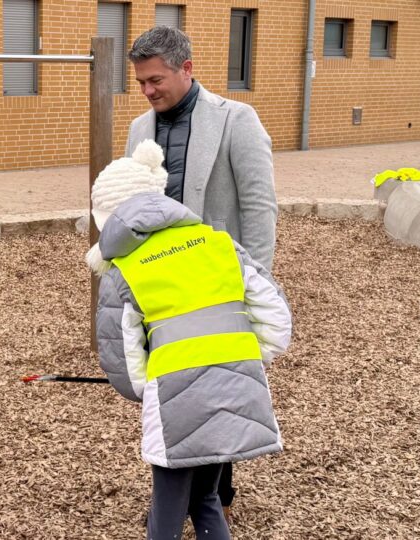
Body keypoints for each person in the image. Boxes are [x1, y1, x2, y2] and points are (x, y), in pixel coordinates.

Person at [87, 140, 291, 540]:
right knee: (206, 498)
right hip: (236, 384)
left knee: (167, 510)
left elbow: (122, 359)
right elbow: (277, 318)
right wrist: (245, 358)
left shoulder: (123, 270)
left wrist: (152, 389)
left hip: (176, 400)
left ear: (107, 218)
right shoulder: (219, 243)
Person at [125, 25, 279, 514]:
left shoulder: (237, 120)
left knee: (218, 387)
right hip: (161, 288)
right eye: (142, 83)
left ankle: (213, 496)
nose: (148, 91)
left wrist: (255, 287)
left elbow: (259, 208)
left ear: (186, 69)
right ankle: (178, 489)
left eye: (156, 80)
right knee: (171, 384)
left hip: (217, 287)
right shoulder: (137, 130)